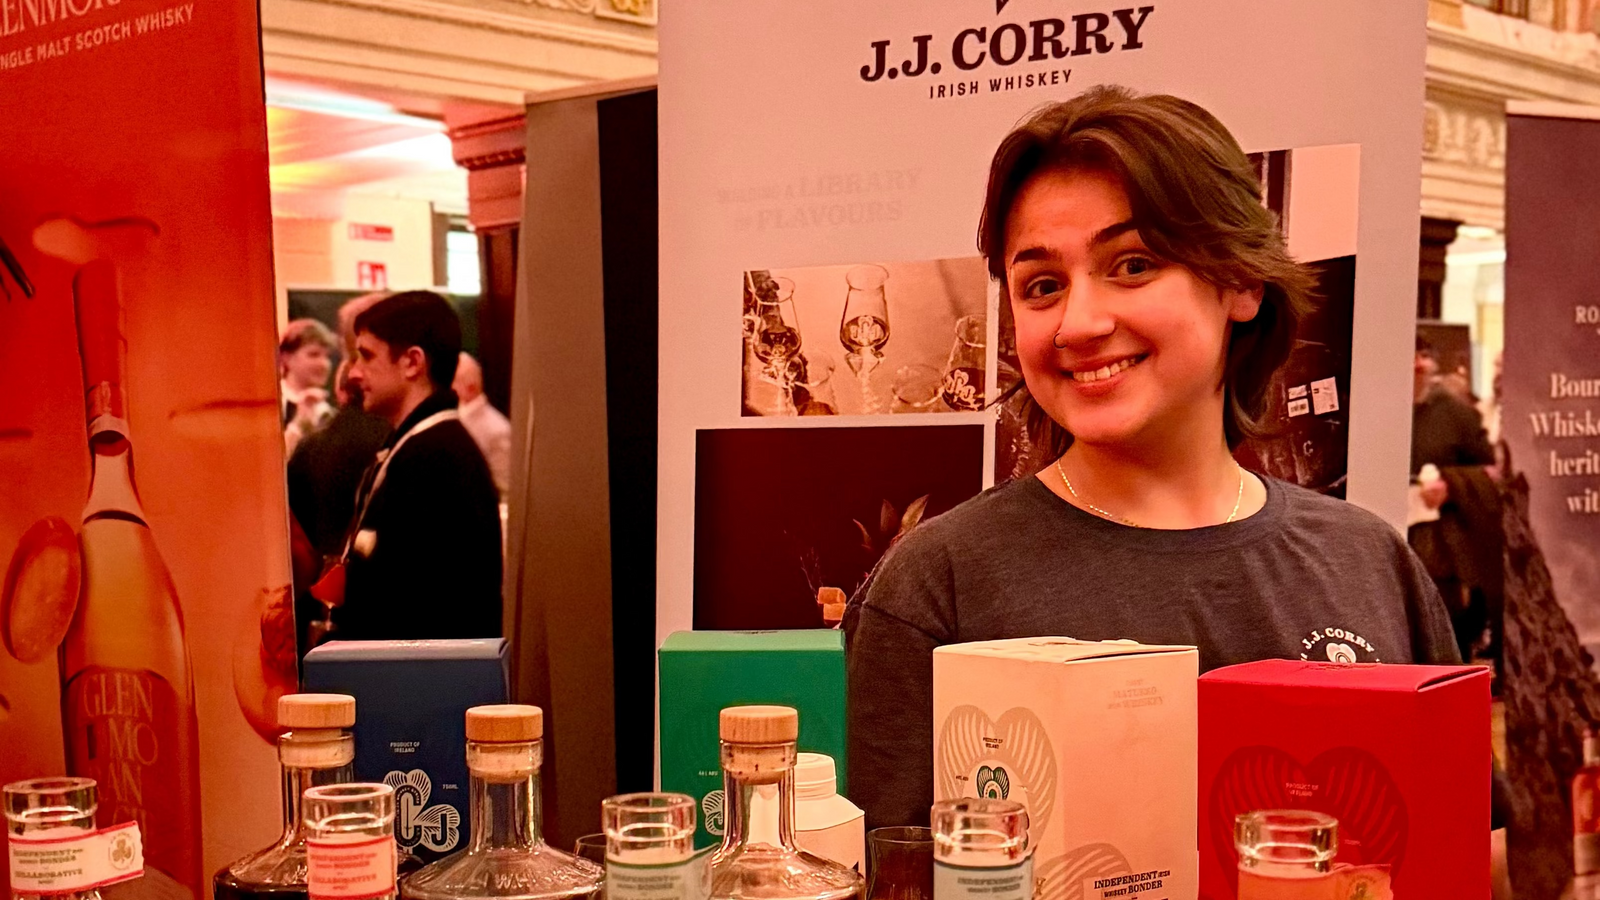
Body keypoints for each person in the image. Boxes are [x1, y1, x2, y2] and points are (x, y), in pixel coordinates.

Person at [843, 86, 1463, 831]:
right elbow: (887, 872)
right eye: (1042, 286)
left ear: (1240, 281)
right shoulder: (942, 582)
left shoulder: (1367, 561)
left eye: (1132, 265)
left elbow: (1459, 842)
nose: (1079, 322)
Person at [333, 290, 503, 641]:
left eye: (366, 356)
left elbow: (410, 608)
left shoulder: (436, 459)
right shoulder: (418, 448)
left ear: (412, 362)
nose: (353, 373)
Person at [286, 293, 393, 653]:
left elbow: (295, 549)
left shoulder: (315, 445)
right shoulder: (400, 442)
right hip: (384, 627)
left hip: (324, 621)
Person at [1409, 336, 1502, 669]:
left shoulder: (1455, 413)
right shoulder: (1369, 408)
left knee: (1444, 624)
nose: (1417, 364)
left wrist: (1451, 484)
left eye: (1422, 355)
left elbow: (1490, 470)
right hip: (1381, 536)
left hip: (1440, 548)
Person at [452, 352, 513, 498]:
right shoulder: (453, 418)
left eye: (453, 382)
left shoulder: (498, 430)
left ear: (470, 387)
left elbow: (504, 488)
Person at [279, 318, 337, 455]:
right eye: (314, 354)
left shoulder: (330, 414)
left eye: (327, 356)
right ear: (286, 358)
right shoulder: (272, 406)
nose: (324, 364)